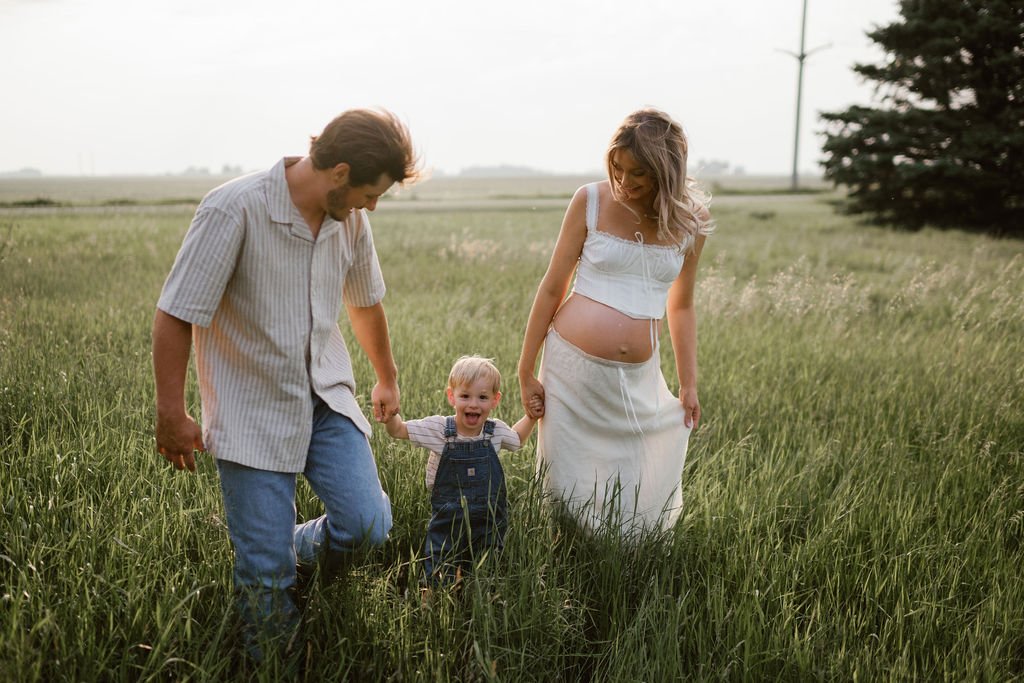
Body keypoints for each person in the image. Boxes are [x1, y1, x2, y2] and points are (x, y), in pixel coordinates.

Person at [152, 108, 420, 660]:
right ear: (340, 172)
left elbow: (364, 302)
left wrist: (387, 377)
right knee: (266, 579)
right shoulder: (234, 209)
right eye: (371, 194)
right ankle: (275, 658)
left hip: (325, 398)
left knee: (368, 524)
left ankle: (291, 542)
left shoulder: (349, 219)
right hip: (250, 410)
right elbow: (176, 314)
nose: (372, 206)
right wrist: (171, 411)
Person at [517, 108, 714, 537]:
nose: (624, 181)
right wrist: (525, 370)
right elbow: (552, 287)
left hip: (638, 377)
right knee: (566, 488)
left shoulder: (691, 222)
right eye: (618, 168)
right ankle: (565, 558)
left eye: (638, 172)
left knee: (636, 481)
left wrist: (688, 383)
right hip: (570, 371)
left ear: (666, 171)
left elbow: (681, 306)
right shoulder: (590, 200)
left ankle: (625, 560)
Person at [384, 355, 540, 585]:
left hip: (488, 514)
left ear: (495, 400)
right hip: (448, 513)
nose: (473, 404)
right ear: (452, 397)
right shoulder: (439, 429)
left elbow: (517, 439)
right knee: (440, 553)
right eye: (465, 396)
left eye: (482, 397)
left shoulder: (495, 431)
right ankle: (434, 595)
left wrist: (531, 417)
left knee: (487, 558)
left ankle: (480, 594)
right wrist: (390, 415)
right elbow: (398, 430)